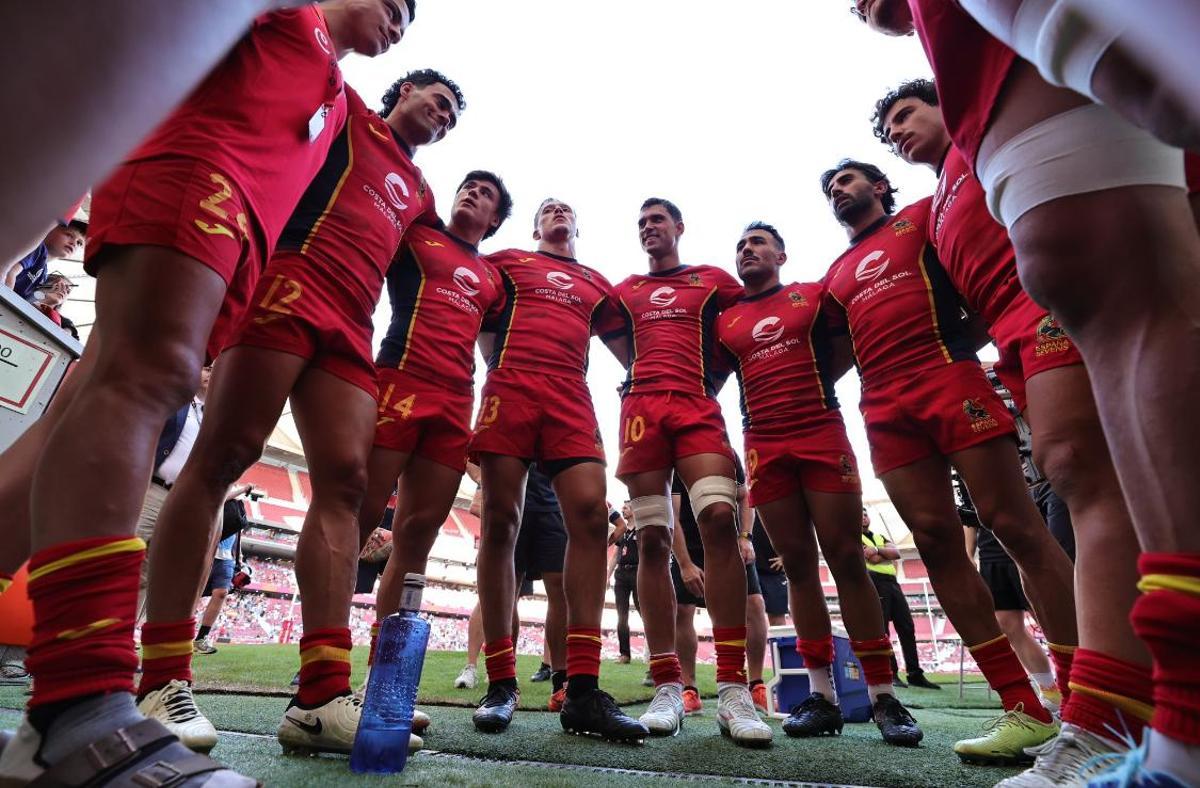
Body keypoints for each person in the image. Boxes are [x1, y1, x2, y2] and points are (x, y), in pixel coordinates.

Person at [0, 4, 411, 780]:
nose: (400, 15)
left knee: (98, 393)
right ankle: (78, 708)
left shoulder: (327, 84)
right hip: (193, 168)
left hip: (240, 224)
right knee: (145, 377)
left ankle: (72, 712)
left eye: (410, 15)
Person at [856, 7, 1200, 783]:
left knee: (1081, 470)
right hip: (1027, 331)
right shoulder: (947, 190)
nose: (897, 132)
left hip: (1063, 312)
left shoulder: (1001, 105)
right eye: (886, 131)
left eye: (905, 114)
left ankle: (1111, 712)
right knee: (1080, 477)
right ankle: (1111, 708)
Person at [135, 63, 458, 761]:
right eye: (436, 101)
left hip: (353, 323)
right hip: (289, 277)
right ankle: (160, 676)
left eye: (451, 117)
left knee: (346, 484)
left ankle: (319, 695)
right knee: (224, 452)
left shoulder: (423, 195)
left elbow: (446, 268)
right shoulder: (342, 107)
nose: (442, 117)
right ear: (403, 91)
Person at [819, 159, 1078, 764]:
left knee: (1015, 525)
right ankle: (1022, 707)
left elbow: (981, 277)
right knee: (935, 540)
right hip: (882, 404)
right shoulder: (833, 275)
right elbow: (829, 356)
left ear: (880, 186)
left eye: (847, 180)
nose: (837, 189)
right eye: (829, 187)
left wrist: (976, 336)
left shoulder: (924, 217)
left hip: (948, 375)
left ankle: (1084, 694)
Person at [716, 221, 923, 746]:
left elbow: (843, 348)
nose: (747, 251)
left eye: (757, 242)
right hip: (763, 443)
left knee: (848, 560)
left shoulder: (812, 296)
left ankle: (883, 695)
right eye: (740, 245)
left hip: (820, 431)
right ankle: (821, 696)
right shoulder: (728, 318)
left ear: (781, 254)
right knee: (800, 570)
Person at [467, 198, 646, 742]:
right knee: (500, 521)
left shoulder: (596, 283)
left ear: (576, 225)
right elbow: (480, 322)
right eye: (547, 208)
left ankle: (583, 689)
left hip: (570, 395)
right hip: (512, 386)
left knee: (591, 517)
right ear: (536, 225)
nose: (557, 212)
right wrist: (498, 368)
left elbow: (632, 352)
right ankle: (501, 683)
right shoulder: (507, 262)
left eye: (565, 208)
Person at [600, 197, 769, 747]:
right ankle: (668, 683)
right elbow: (619, 344)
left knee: (719, 518)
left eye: (657, 220)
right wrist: (641, 376)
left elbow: (741, 331)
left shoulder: (713, 280)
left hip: (697, 406)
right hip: (642, 412)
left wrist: (709, 376)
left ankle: (733, 687)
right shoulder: (625, 290)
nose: (649, 227)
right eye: (641, 221)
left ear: (678, 228)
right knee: (651, 536)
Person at [667, 469, 774, 717]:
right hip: (690, 546)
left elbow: (745, 496)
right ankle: (689, 689)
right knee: (683, 610)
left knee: (755, 605)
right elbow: (671, 513)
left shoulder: (727, 454)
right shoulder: (674, 467)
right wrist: (684, 563)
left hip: (728, 543)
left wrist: (745, 537)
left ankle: (756, 685)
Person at [959, 486, 1060, 712]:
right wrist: (968, 556)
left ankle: (1074, 682)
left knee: (1051, 618)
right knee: (1008, 625)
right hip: (991, 552)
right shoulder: (963, 474)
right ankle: (1050, 691)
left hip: (1024, 542)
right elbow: (970, 518)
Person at [511, 465, 569, 710]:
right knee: (508, 590)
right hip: (512, 497)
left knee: (559, 590)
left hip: (553, 502)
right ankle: (503, 680)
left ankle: (561, 682)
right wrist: (484, 479)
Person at [859, 512, 933, 691]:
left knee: (907, 627)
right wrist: (882, 552)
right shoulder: (854, 537)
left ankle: (915, 673)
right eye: (860, 515)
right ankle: (892, 673)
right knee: (883, 629)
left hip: (892, 583)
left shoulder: (879, 536)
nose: (864, 517)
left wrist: (877, 550)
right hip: (874, 581)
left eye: (866, 514)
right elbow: (874, 559)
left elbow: (896, 553)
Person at [2, 220, 86, 300]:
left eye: (79, 243)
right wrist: (5, 303)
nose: (74, 243)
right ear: (49, 230)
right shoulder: (36, 248)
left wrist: (46, 291)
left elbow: (25, 300)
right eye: (69, 235)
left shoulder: (43, 273)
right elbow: (9, 272)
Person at [192, 531, 238, 656]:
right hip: (204, 551)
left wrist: (240, 558)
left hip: (226, 557)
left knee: (221, 593)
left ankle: (201, 638)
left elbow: (237, 529)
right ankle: (179, 635)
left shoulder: (237, 511)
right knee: (193, 592)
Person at [607, 502, 640, 664]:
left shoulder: (641, 530)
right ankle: (624, 654)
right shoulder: (622, 531)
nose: (622, 510)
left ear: (634, 511)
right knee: (622, 615)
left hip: (638, 572)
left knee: (644, 613)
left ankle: (656, 652)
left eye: (626, 508)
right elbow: (615, 555)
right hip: (621, 574)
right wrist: (607, 575)